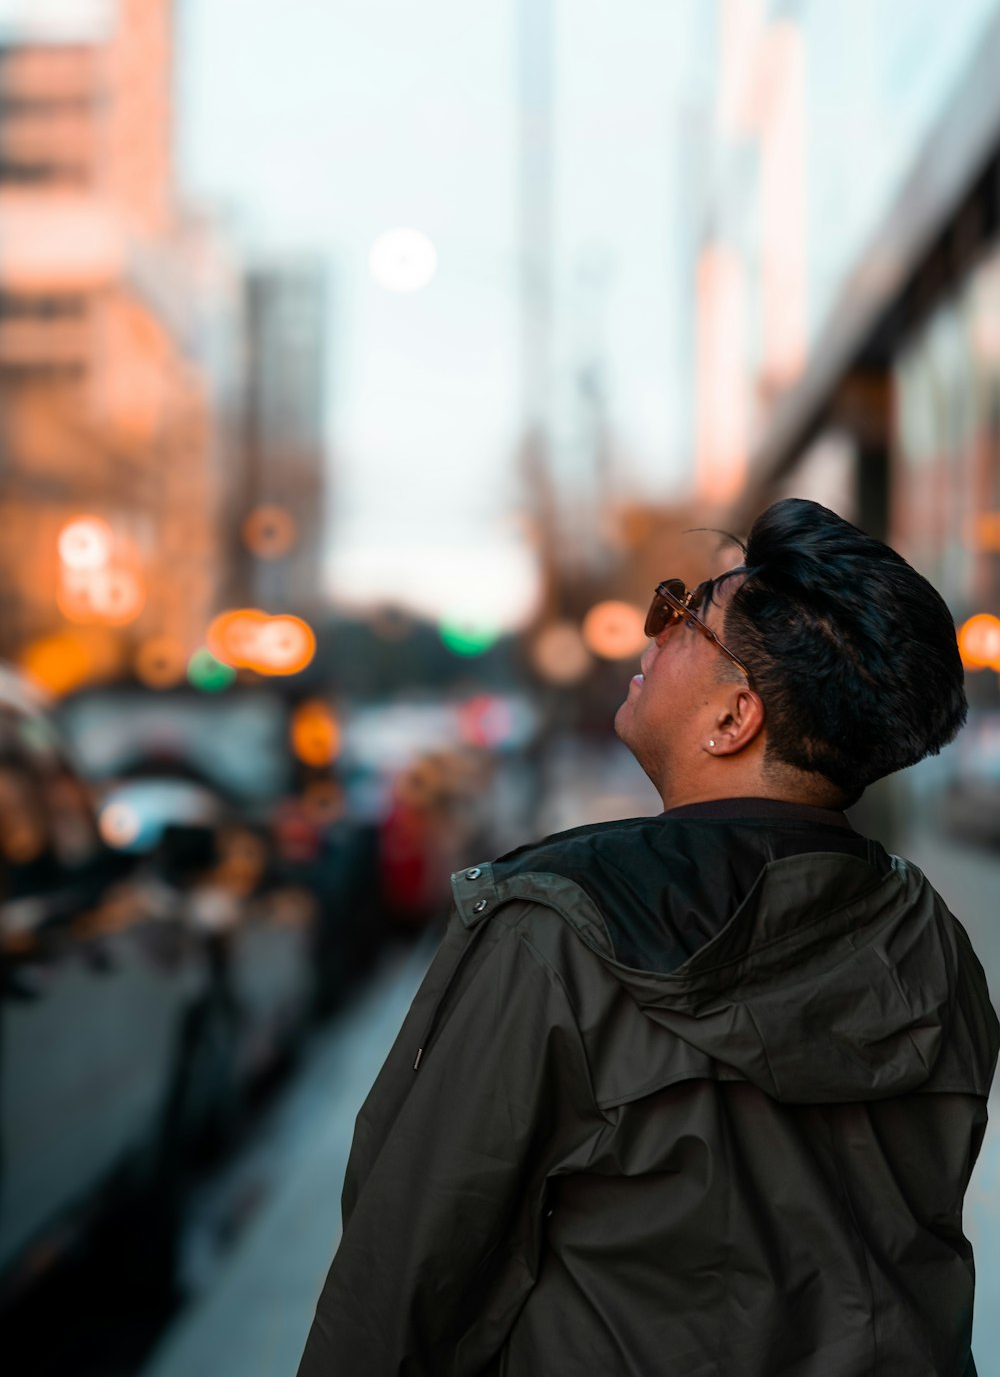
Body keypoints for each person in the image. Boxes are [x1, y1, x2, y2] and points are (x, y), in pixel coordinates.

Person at [296, 498, 999, 1377]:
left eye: (682, 616)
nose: (651, 635)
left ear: (735, 717)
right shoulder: (930, 942)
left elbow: (404, 1275)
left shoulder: (561, 935)